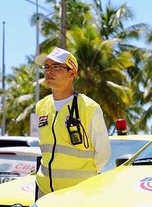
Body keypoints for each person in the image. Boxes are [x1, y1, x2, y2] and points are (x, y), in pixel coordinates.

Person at [34, 47, 110, 196]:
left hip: (78, 193)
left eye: (56, 67)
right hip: (45, 192)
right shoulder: (41, 106)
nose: (49, 71)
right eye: (47, 67)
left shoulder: (89, 107)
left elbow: (103, 153)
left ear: (72, 73)